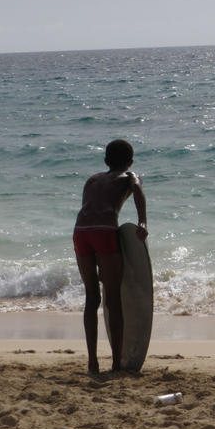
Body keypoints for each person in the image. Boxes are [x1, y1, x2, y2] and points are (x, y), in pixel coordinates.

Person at [72, 139, 148, 375]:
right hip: (104, 231)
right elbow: (137, 190)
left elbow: (88, 206)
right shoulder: (129, 176)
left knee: (92, 298)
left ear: (106, 160)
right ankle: (116, 364)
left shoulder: (92, 179)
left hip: (80, 233)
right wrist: (142, 222)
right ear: (130, 162)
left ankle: (92, 363)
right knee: (112, 300)